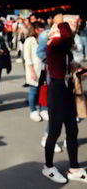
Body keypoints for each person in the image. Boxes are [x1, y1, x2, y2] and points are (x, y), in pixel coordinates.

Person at [42, 10, 87, 184]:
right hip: (56, 90)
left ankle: (74, 168)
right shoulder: (54, 43)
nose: (76, 29)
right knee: (54, 131)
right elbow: (67, 37)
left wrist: (79, 70)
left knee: (73, 130)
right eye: (73, 26)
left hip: (66, 90)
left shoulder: (64, 48)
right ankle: (48, 167)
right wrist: (61, 22)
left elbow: (67, 63)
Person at [23, 22, 47, 122]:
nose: (42, 31)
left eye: (43, 29)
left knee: (44, 90)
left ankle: (43, 109)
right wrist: (32, 71)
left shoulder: (46, 39)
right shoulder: (29, 40)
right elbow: (27, 57)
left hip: (45, 68)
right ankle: (33, 111)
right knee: (33, 90)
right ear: (35, 30)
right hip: (34, 69)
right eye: (40, 29)